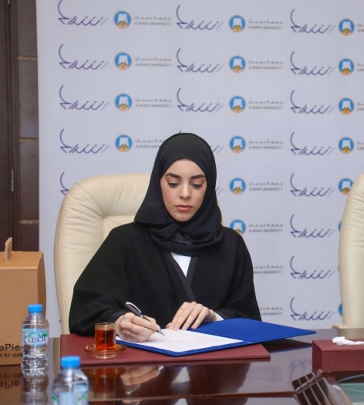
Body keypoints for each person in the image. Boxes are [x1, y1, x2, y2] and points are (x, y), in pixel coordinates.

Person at [69, 133, 261, 341]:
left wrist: (215, 317)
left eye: (196, 185)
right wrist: (120, 322)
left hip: (213, 362)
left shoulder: (231, 245)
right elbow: (85, 310)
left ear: (209, 187)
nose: (185, 194)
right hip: (141, 361)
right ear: (158, 182)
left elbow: (250, 321)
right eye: (173, 183)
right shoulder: (124, 241)